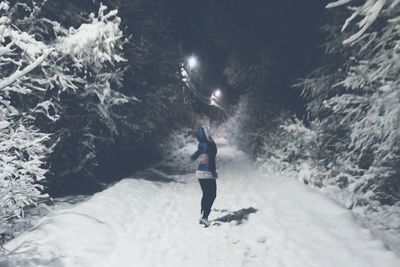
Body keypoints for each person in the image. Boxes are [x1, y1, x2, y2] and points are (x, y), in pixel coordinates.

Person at [190, 127, 218, 227]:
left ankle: (203, 212)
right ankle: (204, 216)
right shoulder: (209, 145)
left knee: (206, 194)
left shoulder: (201, 145)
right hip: (208, 173)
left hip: (200, 173)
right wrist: (212, 140)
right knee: (212, 194)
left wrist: (193, 157)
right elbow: (215, 150)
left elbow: (194, 156)